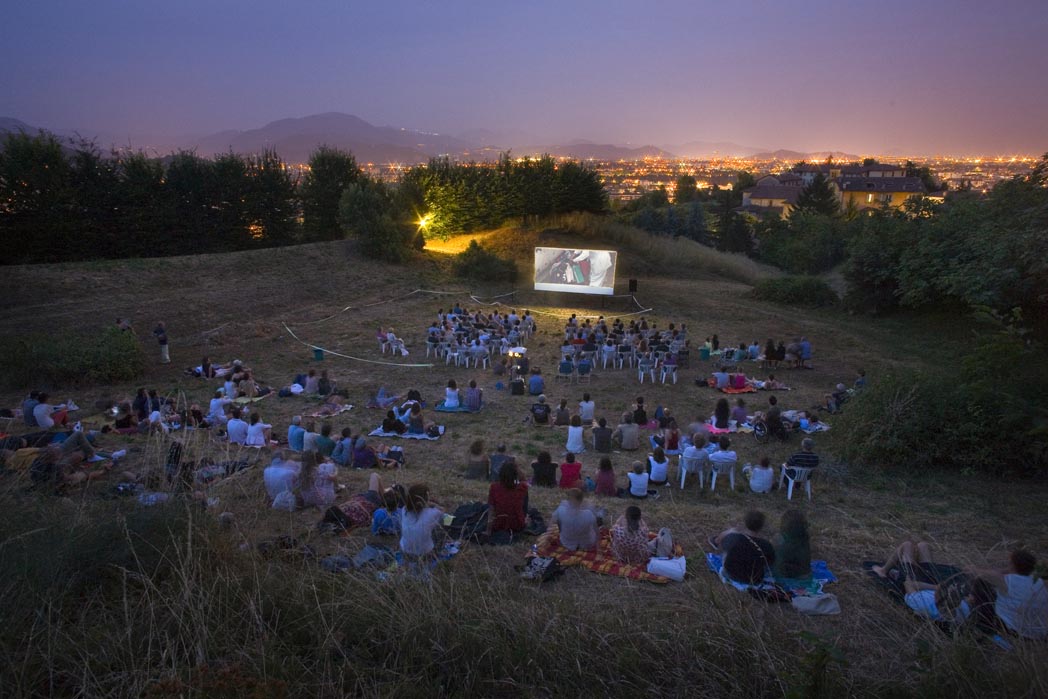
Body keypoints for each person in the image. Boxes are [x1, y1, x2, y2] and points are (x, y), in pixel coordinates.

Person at [872, 541, 969, 622]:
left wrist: (936, 587)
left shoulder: (924, 604)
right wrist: (939, 588)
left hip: (916, 583)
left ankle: (883, 570)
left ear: (937, 598)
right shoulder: (964, 610)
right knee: (923, 545)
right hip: (930, 581)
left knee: (907, 545)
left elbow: (908, 584)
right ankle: (915, 565)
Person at [968, 550, 1048, 639]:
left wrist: (1005, 570)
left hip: (1014, 630)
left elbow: (975, 572)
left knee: (981, 582)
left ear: (1012, 564)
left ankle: (983, 624)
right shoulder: (1040, 582)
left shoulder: (1008, 581)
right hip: (1040, 633)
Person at [399, 484, 444, 558]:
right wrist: (434, 505)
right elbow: (443, 511)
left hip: (404, 551)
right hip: (425, 554)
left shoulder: (404, 510)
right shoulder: (432, 513)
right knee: (443, 523)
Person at [487, 460, 529, 536]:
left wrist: (488, 531)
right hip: (518, 525)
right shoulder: (523, 488)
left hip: (499, 524)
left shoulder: (494, 488)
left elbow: (491, 512)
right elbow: (524, 509)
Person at [773, 509, 812, 580]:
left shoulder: (787, 546)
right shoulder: (804, 537)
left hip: (793, 575)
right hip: (806, 572)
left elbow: (779, 562)